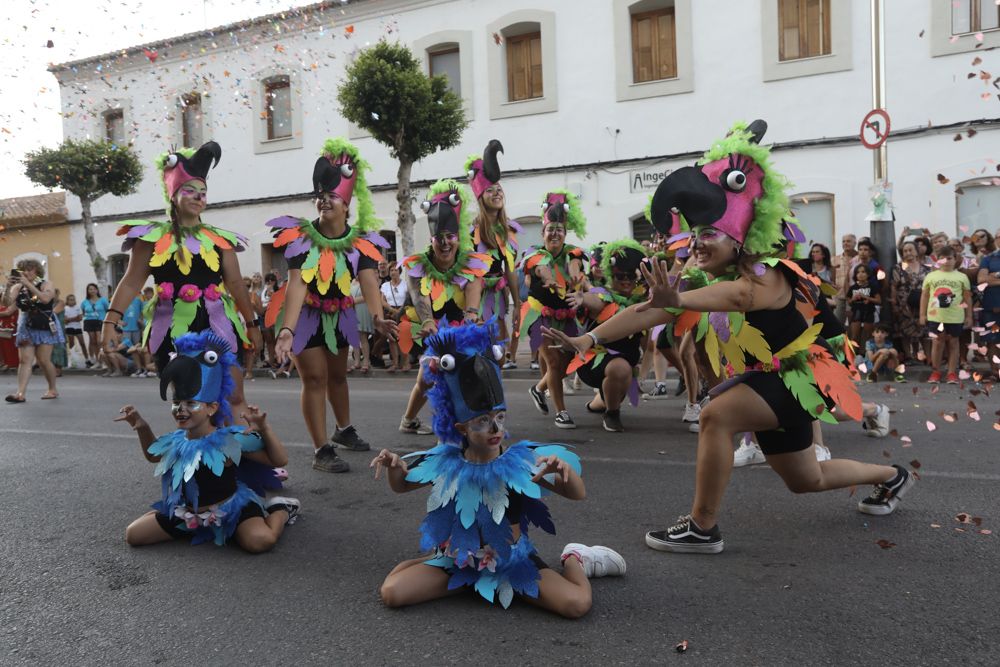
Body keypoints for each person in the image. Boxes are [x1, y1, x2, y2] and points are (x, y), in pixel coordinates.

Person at [544, 120, 916, 553]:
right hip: (770, 380)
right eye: (696, 235)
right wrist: (589, 341)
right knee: (805, 479)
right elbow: (649, 311)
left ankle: (702, 527)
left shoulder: (767, 274)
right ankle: (891, 477)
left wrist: (678, 300)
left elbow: (738, 297)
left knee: (715, 416)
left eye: (711, 234)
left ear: (740, 238)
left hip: (801, 378)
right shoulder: (703, 276)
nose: (699, 243)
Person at [371, 321, 625, 616]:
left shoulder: (520, 461)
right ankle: (435, 557)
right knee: (392, 592)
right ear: (461, 428)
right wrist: (395, 467)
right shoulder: (446, 460)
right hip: (457, 563)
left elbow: (577, 494)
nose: (495, 429)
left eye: (499, 417)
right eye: (482, 421)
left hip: (511, 564)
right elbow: (402, 485)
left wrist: (564, 473)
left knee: (576, 604)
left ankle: (576, 559)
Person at [103, 141, 264, 424]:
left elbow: (237, 284)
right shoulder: (150, 239)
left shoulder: (220, 239)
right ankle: (203, 465)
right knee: (191, 403)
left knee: (234, 396)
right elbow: (130, 283)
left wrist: (252, 325)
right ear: (173, 195)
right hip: (173, 330)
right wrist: (109, 322)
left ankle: (243, 461)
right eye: (189, 190)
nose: (197, 197)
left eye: (202, 192)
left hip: (218, 325)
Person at [267, 138, 396, 472]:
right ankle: (321, 449)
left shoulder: (361, 244)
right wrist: (286, 329)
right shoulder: (300, 238)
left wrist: (379, 318)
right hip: (304, 316)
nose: (324, 201)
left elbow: (369, 284)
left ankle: (343, 429)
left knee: (339, 376)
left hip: (339, 315)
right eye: (320, 196)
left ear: (347, 204)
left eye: (331, 196)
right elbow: (296, 284)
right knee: (315, 378)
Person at [117, 331, 299, 552]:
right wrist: (142, 427)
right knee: (133, 534)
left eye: (191, 403)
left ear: (212, 408)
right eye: (176, 402)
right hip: (188, 514)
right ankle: (178, 518)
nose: (180, 410)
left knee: (260, 541)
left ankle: (280, 509)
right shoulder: (178, 440)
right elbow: (153, 455)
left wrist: (265, 429)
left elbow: (279, 459)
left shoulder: (229, 439)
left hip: (232, 509)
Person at [396, 179, 488, 435]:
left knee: (462, 375)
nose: (445, 243)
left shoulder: (471, 264)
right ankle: (409, 419)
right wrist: (427, 322)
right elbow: (419, 295)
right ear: (432, 238)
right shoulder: (418, 265)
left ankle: (456, 429)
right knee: (427, 377)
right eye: (440, 238)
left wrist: (471, 317)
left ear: (458, 238)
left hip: (461, 328)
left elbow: (472, 295)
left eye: (451, 237)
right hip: (432, 329)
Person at [520, 191, 588, 429]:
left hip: (566, 315)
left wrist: (580, 284)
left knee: (568, 359)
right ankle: (562, 412)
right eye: (551, 229)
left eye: (559, 229)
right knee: (554, 362)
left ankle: (538, 389)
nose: (555, 233)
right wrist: (549, 278)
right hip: (539, 315)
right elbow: (542, 268)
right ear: (543, 232)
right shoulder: (534, 255)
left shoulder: (572, 254)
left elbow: (575, 267)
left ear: (565, 233)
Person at [567, 240, 648, 432]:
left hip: (625, 363)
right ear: (612, 275)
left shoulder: (641, 303)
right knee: (620, 369)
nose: (626, 280)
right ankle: (612, 414)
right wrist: (581, 297)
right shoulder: (605, 297)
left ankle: (597, 405)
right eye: (621, 276)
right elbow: (595, 302)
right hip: (594, 361)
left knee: (620, 380)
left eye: (631, 275)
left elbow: (646, 341)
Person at [465, 139, 522, 368]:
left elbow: (509, 270)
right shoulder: (471, 234)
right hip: (476, 302)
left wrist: (517, 304)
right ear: (480, 197)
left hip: (498, 302)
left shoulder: (508, 232)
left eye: (499, 189)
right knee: (477, 353)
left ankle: (495, 400)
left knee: (498, 353)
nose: (496, 193)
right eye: (490, 190)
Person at [3, 259, 63, 402]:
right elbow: (6, 304)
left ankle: (52, 389)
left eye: (30, 269)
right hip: (27, 324)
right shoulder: (18, 287)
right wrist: (8, 286)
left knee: (43, 360)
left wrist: (28, 284)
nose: (26, 272)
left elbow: (45, 299)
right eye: (23, 270)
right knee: (24, 360)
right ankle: (20, 393)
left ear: (37, 271)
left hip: (44, 324)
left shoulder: (46, 284)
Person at [920, 245, 972, 384]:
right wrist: (922, 315)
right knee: (937, 343)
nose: (946, 261)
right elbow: (924, 296)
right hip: (936, 316)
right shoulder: (931, 276)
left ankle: (951, 373)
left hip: (955, 316)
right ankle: (935, 372)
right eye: (942, 258)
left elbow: (967, 298)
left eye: (949, 258)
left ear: (955, 259)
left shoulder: (962, 277)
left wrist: (969, 316)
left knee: (953, 343)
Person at [890, 241, 931, 363]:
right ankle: (909, 356)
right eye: (905, 251)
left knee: (924, 331)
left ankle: (928, 356)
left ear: (916, 251)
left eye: (910, 250)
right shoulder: (898, 268)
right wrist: (894, 304)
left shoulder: (926, 269)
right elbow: (893, 286)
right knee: (905, 331)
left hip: (922, 304)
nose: (908, 253)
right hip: (904, 305)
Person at [976, 244, 1000, 380]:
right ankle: (995, 372)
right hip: (992, 306)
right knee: (992, 341)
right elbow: (981, 280)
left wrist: (994, 276)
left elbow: (988, 279)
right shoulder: (988, 259)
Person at [379, 262, 409, 372]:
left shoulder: (405, 284)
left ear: (399, 271)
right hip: (390, 313)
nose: (393, 272)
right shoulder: (385, 285)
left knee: (404, 338)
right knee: (392, 339)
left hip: (403, 312)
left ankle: (406, 363)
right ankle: (395, 363)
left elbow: (408, 299)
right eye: (391, 270)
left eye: (395, 270)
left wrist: (400, 310)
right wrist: (392, 310)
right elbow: (382, 301)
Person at [847, 264, 880, 348]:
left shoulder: (873, 286)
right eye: (858, 272)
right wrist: (853, 299)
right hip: (856, 312)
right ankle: (853, 356)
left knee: (868, 336)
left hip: (868, 312)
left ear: (868, 274)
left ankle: (866, 355)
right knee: (854, 336)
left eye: (863, 272)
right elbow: (849, 302)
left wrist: (866, 297)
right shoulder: (852, 288)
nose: (860, 274)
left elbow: (879, 301)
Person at [81, 283, 109, 368]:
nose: (92, 291)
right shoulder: (84, 302)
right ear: (88, 291)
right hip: (89, 321)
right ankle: (97, 361)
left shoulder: (103, 300)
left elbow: (108, 310)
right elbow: (83, 312)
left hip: (100, 321)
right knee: (92, 341)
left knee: (99, 341)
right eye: (90, 289)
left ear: (97, 290)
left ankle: (104, 361)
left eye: (94, 289)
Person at [833, 234, 857, 324]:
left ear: (855, 243)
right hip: (839, 296)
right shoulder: (834, 259)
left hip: (854, 296)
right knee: (837, 323)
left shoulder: (859, 258)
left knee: (853, 323)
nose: (845, 243)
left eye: (848, 241)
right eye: (843, 241)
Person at [62, 293, 88, 367]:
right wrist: (74, 318)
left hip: (78, 327)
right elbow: (65, 320)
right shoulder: (65, 308)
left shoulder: (78, 307)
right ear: (67, 300)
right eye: (70, 300)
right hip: (69, 327)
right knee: (71, 344)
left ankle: (87, 359)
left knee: (82, 343)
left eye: (73, 300)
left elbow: (80, 318)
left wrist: (70, 319)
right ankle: (73, 360)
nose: (72, 301)